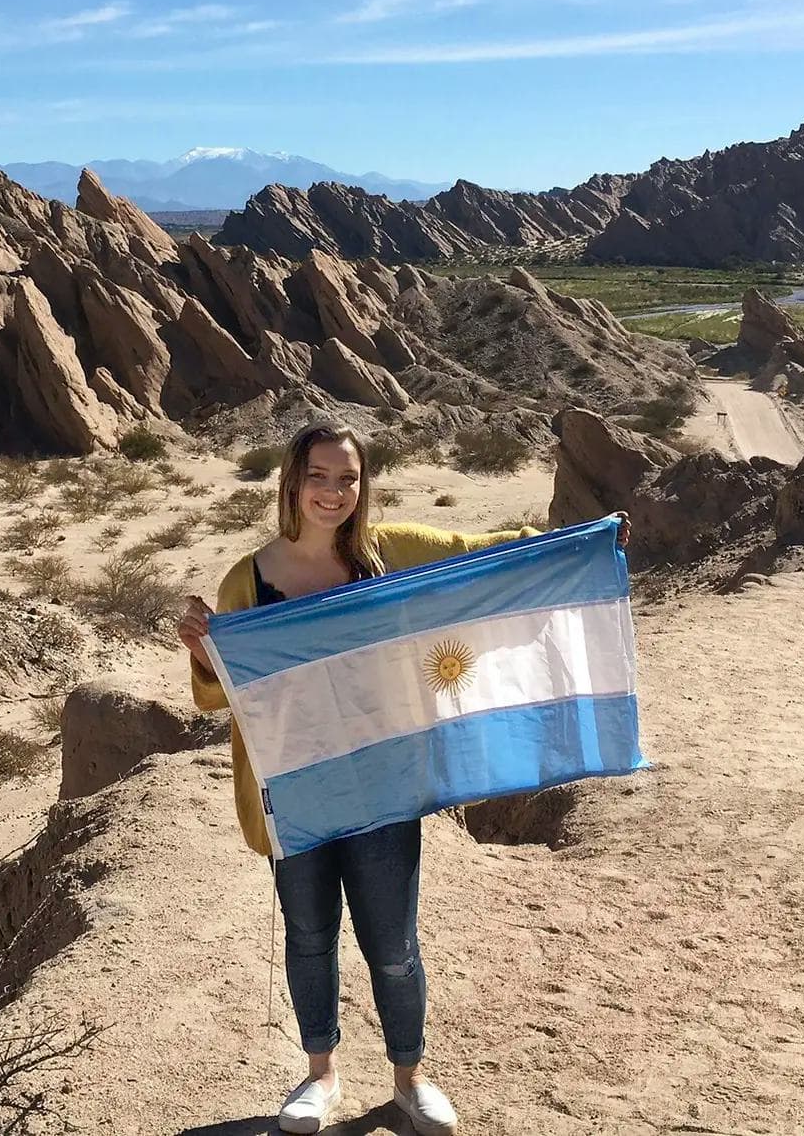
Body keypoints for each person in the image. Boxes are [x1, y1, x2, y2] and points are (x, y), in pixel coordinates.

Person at [175, 420, 629, 1135]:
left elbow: (478, 556)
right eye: (319, 476)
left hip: (383, 787)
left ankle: (410, 1078)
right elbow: (219, 692)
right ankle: (320, 1076)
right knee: (309, 935)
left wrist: (576, 545)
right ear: (292, 481)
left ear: (364, 487)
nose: (333, 492)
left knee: (392, 944)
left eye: (348, 479)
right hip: (294, 795)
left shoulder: (389, 553)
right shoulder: (249, 579)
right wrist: (207, 650)